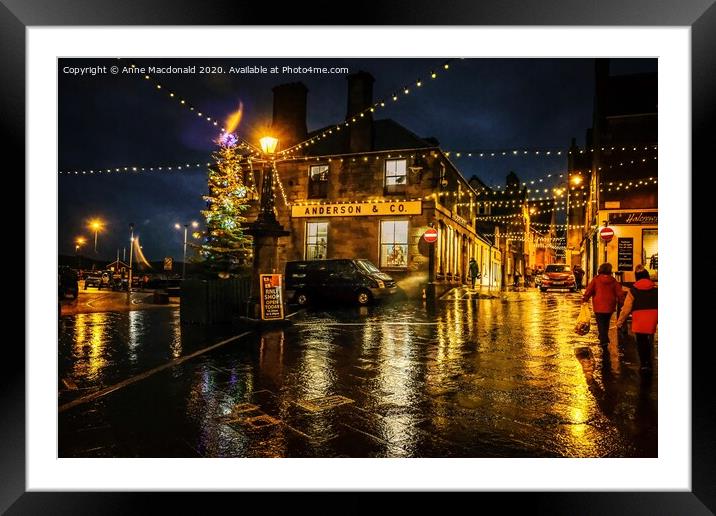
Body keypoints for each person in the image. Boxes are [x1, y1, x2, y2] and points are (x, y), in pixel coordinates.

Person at [616, 268, 658, 370]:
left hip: (639, 317)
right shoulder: (656, 289)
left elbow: (626, 308)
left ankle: (644, 363)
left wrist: (620, 322)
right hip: (653, 316)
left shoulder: (633, 291)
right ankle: (649, 361)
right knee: (649, 338)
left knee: (641, 340)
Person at [582, 263, 625, 346]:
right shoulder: (613, 280)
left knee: (600, 322)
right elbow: (619, 293)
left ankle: (603, 338)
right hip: (610, 305)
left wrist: (585, 299)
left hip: (598, 305)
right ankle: (603, 336)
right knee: (606, 321)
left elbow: (589, 290)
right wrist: (622, 302)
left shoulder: (596, 279)